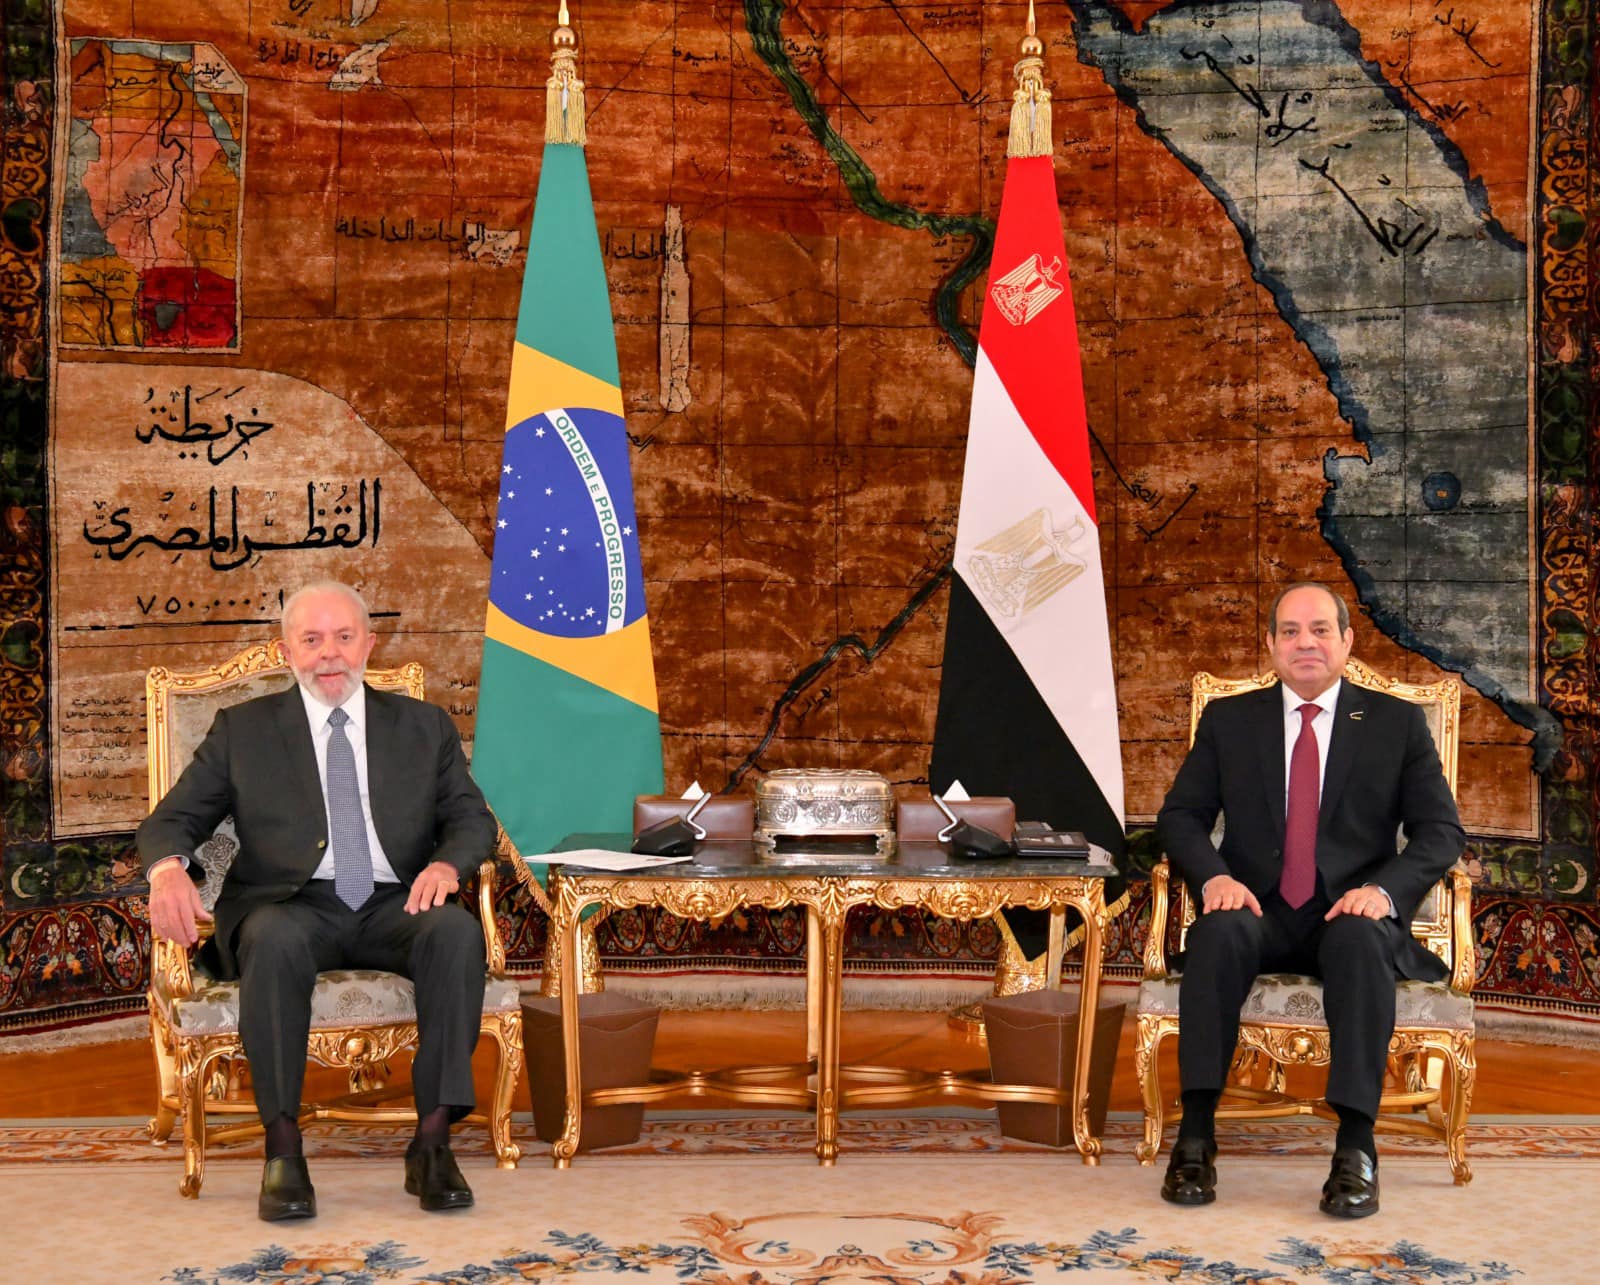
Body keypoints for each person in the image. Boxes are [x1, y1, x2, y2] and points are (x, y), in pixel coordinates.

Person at [140, 581, 496, 1222]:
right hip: (291, 905)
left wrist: (447, 865)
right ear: (287, 652)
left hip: (395, 902)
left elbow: (472, 818)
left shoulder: (422, 726)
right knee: (273, 938)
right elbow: (172, 819)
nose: (329, 653)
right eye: (311, 639)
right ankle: (283, 1151)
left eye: (343, 637)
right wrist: (167, 870)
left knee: (456, 933)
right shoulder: (243, 730)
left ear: (369, 644)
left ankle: (433, 1143)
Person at [1155, 582, 1463, 1218]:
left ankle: (1356, 1148)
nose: (1306, 643)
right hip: (1256, 906)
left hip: (1347, 911)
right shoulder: (1229, 720)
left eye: (1321, 630)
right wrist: (1214, 878)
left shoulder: (1395, 724)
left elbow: (1440, 831)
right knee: (1218, 931)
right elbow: (1181, 817)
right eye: (1291, 631)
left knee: (1360, 942)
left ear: (1347, 641)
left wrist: (1382, 892)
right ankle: (1196, 1137)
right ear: (1271, 645)